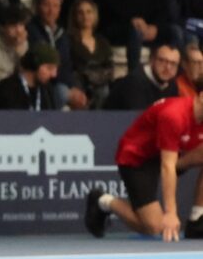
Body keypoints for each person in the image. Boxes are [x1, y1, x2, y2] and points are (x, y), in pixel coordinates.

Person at [87, 89, 203, 241]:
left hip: (166, 154)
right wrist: (170, 213)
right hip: (137, 158)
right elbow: (168, 166)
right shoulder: (174, 115)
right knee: (155, 227)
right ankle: (103, 201)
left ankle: (197, 218)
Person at [105, 43, 181, 111]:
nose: (168, 67)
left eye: (173, 63)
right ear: (151, 60)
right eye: (162, 61)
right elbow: (138, 118)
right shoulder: (134, 82)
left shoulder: (172, 84)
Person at [0, 44, 61, 111]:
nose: (54, 75)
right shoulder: (6, 89)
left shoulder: (47, 91)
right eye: (49, 68)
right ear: (34, 65)